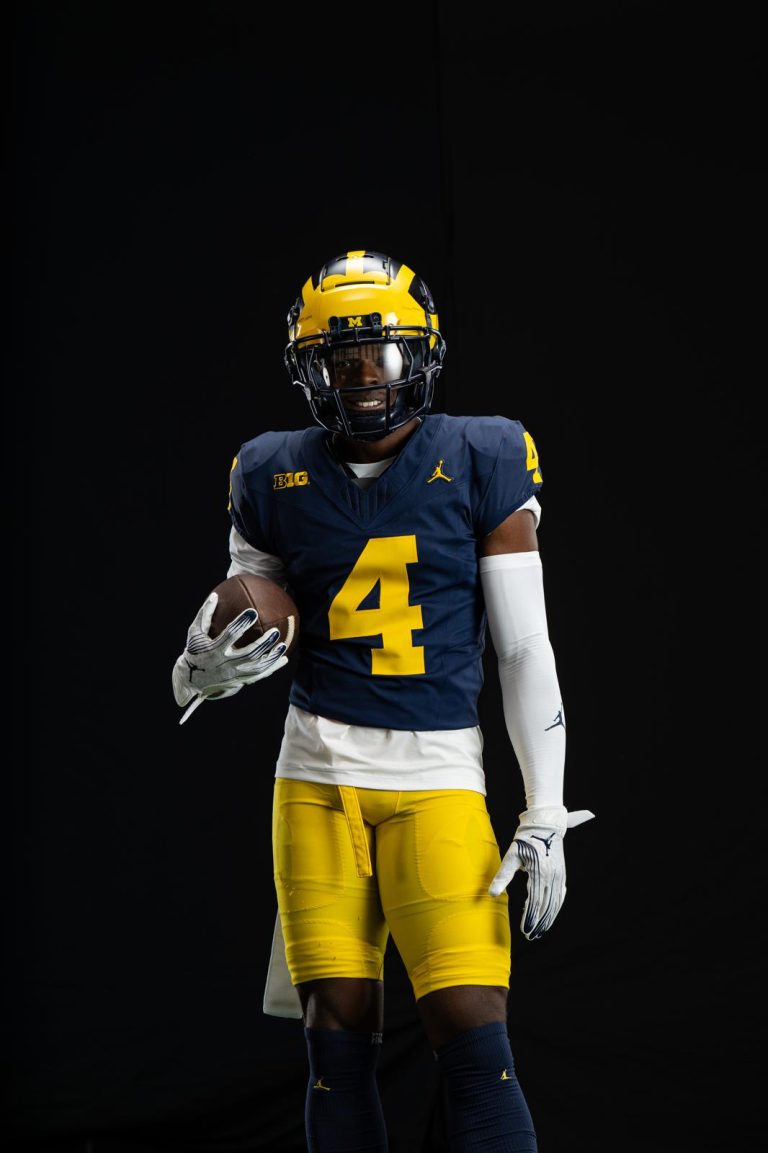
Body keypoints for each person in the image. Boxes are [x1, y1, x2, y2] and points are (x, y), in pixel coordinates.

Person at [172, 249, 594, 1152]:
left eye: (381, 355)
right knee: (336, 1052)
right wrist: (196, 662)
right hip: (313, 780)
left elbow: (523, 645)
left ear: (423, 354)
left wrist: (546, 801)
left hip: (439, 777)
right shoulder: (268, 469)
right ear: (308, 369)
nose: (364, 379)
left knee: (477, 1046)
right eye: (340, 361)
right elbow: (243, 614)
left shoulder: (483, 453)